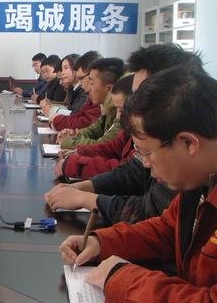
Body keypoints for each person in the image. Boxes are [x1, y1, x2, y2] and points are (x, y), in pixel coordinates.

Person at [59, 67, 217, 303]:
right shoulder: (198, 180)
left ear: (189, 143)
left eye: (147, 153)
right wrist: (101, 242)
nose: (145, 165)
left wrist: (124, 281)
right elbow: (168, 229)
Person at [45, 44, 203, 225]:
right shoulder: (156, 134)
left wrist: (87, 198)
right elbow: (134, 170)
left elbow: (149, 212)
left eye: (139, 95)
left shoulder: (179, 152)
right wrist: (84, 187)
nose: (131, 106)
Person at [55, 74, 134, 179]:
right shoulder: (110, 110)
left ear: (109, 88)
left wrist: (70, 143)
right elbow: (109, 145)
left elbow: (128, 172)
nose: (86, 88)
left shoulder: (126, 121)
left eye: (91, 83)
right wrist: (78, 146)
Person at [58, 57, 124, 149]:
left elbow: (102, 146)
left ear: (109, 88)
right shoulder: (107, 108)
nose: (88, 89)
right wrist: (74, 134)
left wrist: (68, 142)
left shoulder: (121, 110)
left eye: (92, 83)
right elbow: (94, 130)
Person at [51, 51, 102, 130]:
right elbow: (78, 116)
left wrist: (56, 119)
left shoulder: (88, 93)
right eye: (62, 69)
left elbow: (84, 122)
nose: (62, 73)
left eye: (66, 68)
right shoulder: (75, 90)